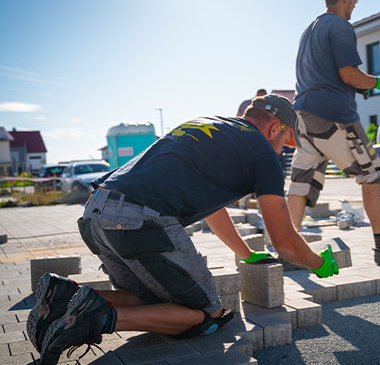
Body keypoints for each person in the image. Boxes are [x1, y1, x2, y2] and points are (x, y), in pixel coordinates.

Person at [27, 94, 339, 365]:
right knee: (205, 315)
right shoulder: (261, 151)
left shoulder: (209, 125)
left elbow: (214, 208)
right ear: (274, 128)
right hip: (138, 219)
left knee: (154, 302)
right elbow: (284, 242)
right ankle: (94, 320)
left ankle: (64, 296)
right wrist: (317, 262)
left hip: (97, 212)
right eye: (284, 144)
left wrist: (246, 253)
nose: (281, 153)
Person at [288, 0, 380, 265]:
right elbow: (348, 74)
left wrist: (361, 85)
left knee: (301, 182)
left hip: (304, 116)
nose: (355, 5)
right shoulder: (340, 26)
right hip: (334, 116)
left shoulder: (310, 29)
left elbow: (327, 76)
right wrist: (377, 82)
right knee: (371, 174)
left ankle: (287, 250)